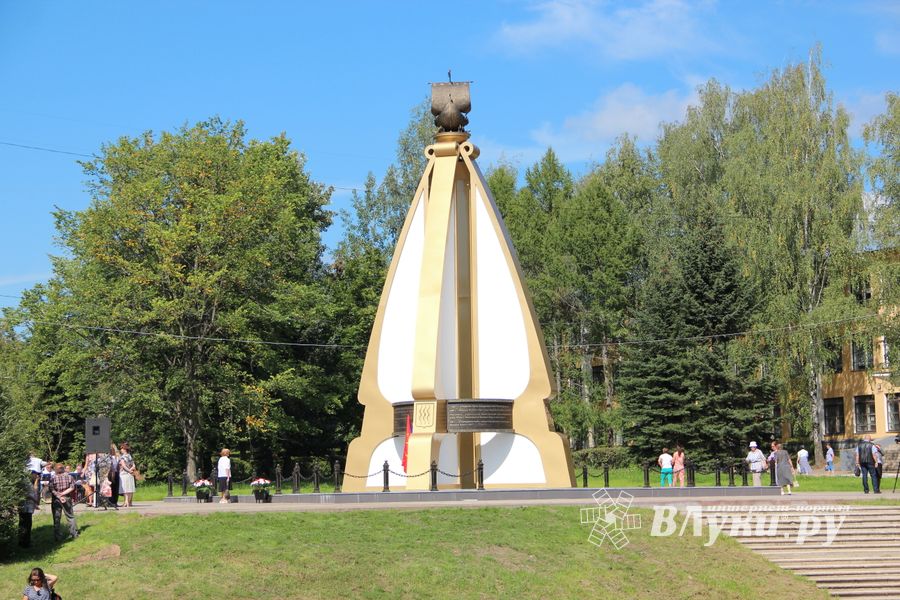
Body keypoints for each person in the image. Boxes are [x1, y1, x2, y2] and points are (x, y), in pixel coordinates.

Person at [47, 462, 78, 541]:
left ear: (56, 470)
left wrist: (59, 496)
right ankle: (74, 534)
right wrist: (63, 494)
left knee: (57, 518)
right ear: (63, 469)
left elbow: (51, 489)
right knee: (70, 517)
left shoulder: (53, 478)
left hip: (56, 499)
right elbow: (72, 487)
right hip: (67, 498)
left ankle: (57, 537)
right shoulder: (70, 477)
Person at [19, 475, 39, 548]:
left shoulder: (29, 482)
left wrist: (36, 481)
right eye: (35, 475)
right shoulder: (25, 483)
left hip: (28, 507)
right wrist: (34, 500)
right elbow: (27, 495)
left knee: (25, 524)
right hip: (25, 507)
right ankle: (25, 543)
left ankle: (24, 542)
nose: (37, 476)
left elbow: (34, 490)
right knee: (25, 524)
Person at [118, 442, 137, 507]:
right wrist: (131, 470)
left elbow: (123, 465)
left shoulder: (122, 457)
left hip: (124, 474)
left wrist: (128, 471)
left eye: (121, 449)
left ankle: (126, 502)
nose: (121, 450)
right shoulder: (130, 456)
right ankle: (130, 502)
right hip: (130, 474)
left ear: (124, 449)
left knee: (125, 488)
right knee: (130, 488)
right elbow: (134, 465)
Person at [109, 443, 121, 508]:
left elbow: (119, 464)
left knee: (116, 488)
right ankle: (111, 502)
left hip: (116, 473)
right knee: (111, 488)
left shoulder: (117, 457)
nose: (113, 450)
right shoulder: (108, 457)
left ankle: (115, 502)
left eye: (114, 449)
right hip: (110, 474)